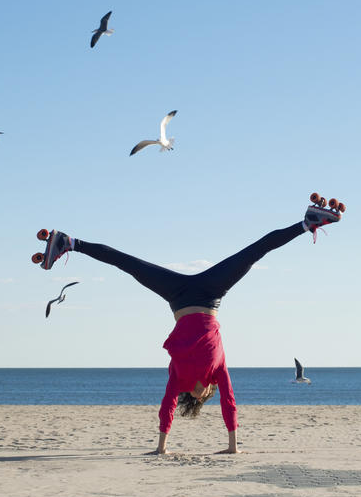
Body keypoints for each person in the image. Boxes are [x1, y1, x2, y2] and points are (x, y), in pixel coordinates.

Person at [35, 194, 344, 454]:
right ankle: (308, 223)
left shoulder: (180, 381)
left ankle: (69, 242)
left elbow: (168, 406)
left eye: (202, 400)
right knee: (254, 252)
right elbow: (230, 402)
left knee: (127, 263)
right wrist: (233, 445)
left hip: (179, 297)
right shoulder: (216, 374)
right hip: (211, 295)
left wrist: (161, 446)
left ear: (194, 399)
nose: (206, 396)